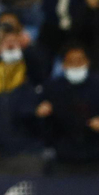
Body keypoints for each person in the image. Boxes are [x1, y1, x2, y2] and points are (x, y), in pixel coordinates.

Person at [0, 27, 44, 176]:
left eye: (15, 42)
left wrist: (29, 48)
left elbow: (43, 68)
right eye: (6, 42)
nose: (11, 46)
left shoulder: (32, 73)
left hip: (30, 150)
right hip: (0, 152)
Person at [35, 44, 99, 175]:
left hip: (95, 154)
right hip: (63, 157)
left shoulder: (96, 85)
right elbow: (39, 122)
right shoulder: (52, 88)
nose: (76, 65)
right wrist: (41, 113)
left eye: (79, 61)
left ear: (88, 62)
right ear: (63, 65)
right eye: (71, 62)